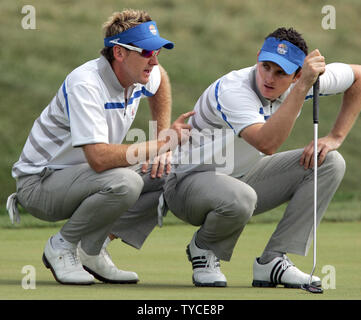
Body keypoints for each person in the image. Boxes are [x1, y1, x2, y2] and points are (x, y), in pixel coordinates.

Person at [162, 27, 361, 288]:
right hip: (187, 184)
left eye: (281, 72)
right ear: (258, 58)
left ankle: (273, 261)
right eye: (265, 66)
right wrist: (301, 88)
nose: (269, 78)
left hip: (243, 177)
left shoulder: (304, 80)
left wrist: (336, 136)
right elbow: (267, 143)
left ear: (297, 73)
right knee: (242, 196)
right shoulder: (235, 89)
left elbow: (358, 76)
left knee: (330, 162)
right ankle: (204, 249)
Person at [7, 9, 193, 285]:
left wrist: (162, 139)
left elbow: (161, 80)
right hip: (40, 183)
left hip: (86, 178)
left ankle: (91, 250)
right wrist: (161, 143)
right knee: (125, 182)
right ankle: (62, 246)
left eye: (157, 53)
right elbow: (99, 159)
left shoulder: (141, 71)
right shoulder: (86, 84)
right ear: (119, 53)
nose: (153, 61)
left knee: (168, 172)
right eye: (145, 53)